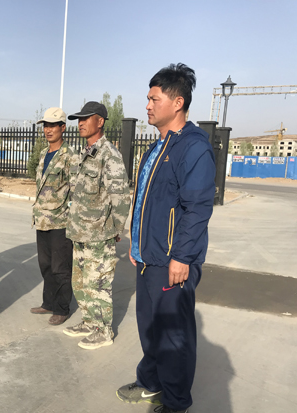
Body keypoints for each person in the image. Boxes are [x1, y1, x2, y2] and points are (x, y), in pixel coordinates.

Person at [116, 63, 216, 413]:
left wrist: (182, 257)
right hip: (149, 256)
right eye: (147, 98)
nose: (147, 105)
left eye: (153, 99)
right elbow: (146, 199)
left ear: (177, 102)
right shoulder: (157, 147)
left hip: (173, 260)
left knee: (173, 336)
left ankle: (175, 403)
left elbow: (197, 208)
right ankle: (151, 382)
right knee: (150, 328)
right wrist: (136, 243)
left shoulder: (193, 147)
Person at [63, 101, 131, 350]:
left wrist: (116, 229)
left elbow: (121, 197)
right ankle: (89, 322)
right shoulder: (86, 153)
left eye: (85, 118)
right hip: (80, 232)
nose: (80, 123)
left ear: (100, 121)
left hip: (99, 234)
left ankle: (103, 331)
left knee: (98, 283)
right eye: (78, 119)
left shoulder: (109, 155)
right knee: (81, 283)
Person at [31, 107, 75, 325]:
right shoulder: (43, 154)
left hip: (60, 221)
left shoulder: (70, 156)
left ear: (62, 128)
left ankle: (62, 308)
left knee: (60, 267)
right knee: (45, 264)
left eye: (52, 125)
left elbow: (76, 190)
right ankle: (48, 302)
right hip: (42, 220)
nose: (48, 130)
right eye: (45, 126)